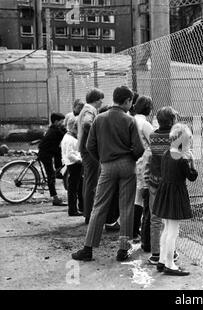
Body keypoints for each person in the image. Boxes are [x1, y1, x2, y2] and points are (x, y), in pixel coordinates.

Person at [71, 85, 144, 262]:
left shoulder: (99, 118)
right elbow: (139, 148)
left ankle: (88, 249)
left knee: (99, 206)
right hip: (127, 166)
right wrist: (130, 158)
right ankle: (123, 250)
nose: (130, 106)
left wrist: (102, 159)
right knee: (126, 208)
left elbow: (90, 146)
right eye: (130, 103)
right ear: (127, 101)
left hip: (107, 166)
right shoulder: (129, 120)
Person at [153, 123, 198, 276]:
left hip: (165, 193)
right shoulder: (182, 158)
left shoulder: (166, 153)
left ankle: (162, 260)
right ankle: (170, 264)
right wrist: (192, 161)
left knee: (166, 229)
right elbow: (192, 176)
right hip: (175, 194)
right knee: (173, 231)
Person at [142, 107, 178, 264]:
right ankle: (171, 252)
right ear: (172, 120)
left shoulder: (154, 136)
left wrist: (146, 178)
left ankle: (156, 254)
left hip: (155, 182)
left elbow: (149, 159)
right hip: (171, 184)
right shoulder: (176, 137)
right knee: (171, 220)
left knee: (155, 218)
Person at [77, 88, 104, 224]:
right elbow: (87, 123)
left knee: (89, 180)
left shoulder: (85, 109)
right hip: (90, 150)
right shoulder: (90, 110)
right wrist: (97, 134)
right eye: (100, 99)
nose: (101, 102)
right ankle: (89, 213)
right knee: (92, 181)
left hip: (85, 149)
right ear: (96, 100)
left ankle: (87, 211)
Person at [133, 95, 154, 241]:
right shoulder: (145, 124)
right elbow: (155, 143)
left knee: (136, 196)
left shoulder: (131, 120)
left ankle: (133, 229)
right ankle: (140, 231)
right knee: (143, 196)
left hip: (132, 160)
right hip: (144, 162)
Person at [38, 112, 67, 206]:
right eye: (61, 121)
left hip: (46, 152)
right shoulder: (56, 131)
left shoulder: (53, 128)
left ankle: (57, 174)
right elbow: (66, 136)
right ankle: (55, 198)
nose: (63, 123)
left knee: (53, 173)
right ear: (56, 121)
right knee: (51, 176)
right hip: (46, 155)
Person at [60, 117, 83, 216]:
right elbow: (70, 154)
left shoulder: (68, 136)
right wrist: (79, 160)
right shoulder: (70, 139)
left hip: (72, 164)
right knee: (73, 188)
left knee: (76, 187)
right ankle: (73, 209)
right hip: (74, 164)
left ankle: (78, 207)